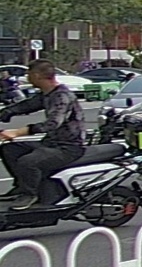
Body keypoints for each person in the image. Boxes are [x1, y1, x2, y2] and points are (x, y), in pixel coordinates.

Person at [0, 61, 88, 208]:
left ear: (36, 75)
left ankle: (30, 194)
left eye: (28, 74)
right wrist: (6, 112)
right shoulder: (47, 94)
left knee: (28, 162)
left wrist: (17, 132)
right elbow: (26, 105)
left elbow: (52, 123)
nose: (27, 77)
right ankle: (21, 187)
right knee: (10, 149)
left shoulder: (62, 97)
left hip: (68, 147)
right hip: (51, 143)